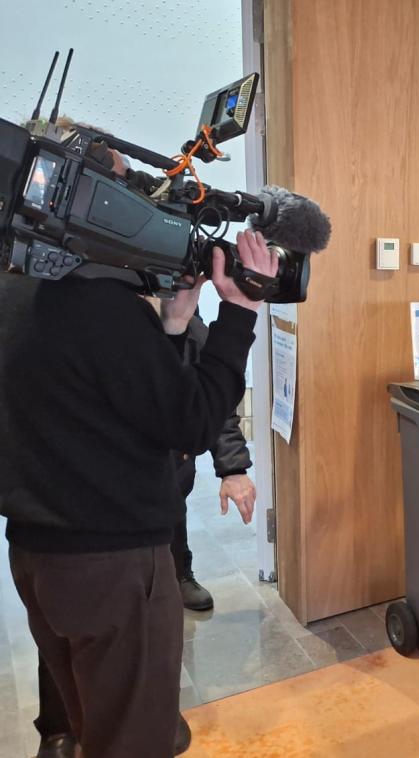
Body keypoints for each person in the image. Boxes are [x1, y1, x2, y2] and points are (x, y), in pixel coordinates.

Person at [0, 129, 278, 756]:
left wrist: (175, 327)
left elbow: (122, 406)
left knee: (94, 724)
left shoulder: (17, 289)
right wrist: (240, 311)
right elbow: (190, 422)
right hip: (112, 566)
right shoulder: (101, 304)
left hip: (37, 556)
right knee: (132, 743)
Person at [171, 311, 257, 611]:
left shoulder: (187, 321)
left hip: (170, 473)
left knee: (171, 512)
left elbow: (213, 399)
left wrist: (233, 468)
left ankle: (179, 574)